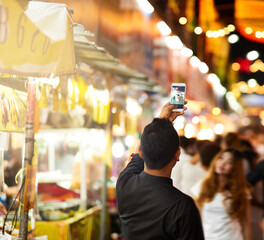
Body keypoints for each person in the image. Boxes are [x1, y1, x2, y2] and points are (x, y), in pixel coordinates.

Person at [116, 102, 204, 240]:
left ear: (141, 151)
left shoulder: (125, 181)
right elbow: (141, 147)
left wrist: (161, 119)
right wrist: (162, 121)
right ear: (177, 155)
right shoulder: (183, 207)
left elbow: (141, 147)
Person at [191, 148, 252, 240]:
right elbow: (195, 220)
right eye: (221, 158)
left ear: (235, 168)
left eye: (229, 162)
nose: (222, 163)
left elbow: (246, 223)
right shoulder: (202, 186)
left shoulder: (241, 191)